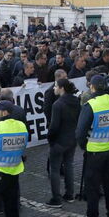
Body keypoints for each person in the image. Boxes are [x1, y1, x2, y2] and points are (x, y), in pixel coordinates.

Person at [74, 75, 109, 217]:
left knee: (93, 192)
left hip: (94, 153)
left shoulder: (91, 106)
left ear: (92, 87)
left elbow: (80, 133)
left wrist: (85, 146)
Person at [46, 78, 80, 206]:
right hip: (72, 138)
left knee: (54, 169)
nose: (54, 88)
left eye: (55, 86)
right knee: (69, 166)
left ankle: (56, 198)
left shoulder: (58, 105)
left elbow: (54, 126)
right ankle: (69, 194)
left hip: (59, 141)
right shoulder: (76, 101)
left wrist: (50, 139)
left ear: (62, 88)